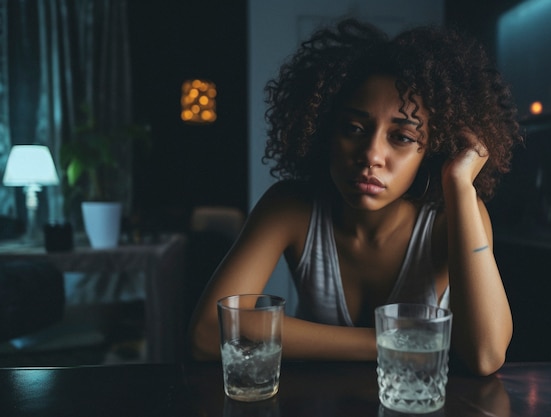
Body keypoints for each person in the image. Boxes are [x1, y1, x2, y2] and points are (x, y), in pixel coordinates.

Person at [190, 18, 521, 376]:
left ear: (434, 149)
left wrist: (458, 183)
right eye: (354, 129)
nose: (371, 155)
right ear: (322, 132)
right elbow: (208, 334)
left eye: (402, 137)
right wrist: (397, 341)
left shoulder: (453, 214)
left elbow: (486, 355)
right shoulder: (290, 208)